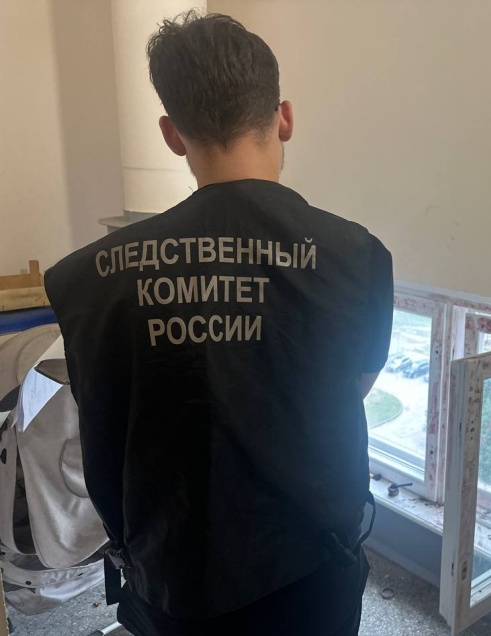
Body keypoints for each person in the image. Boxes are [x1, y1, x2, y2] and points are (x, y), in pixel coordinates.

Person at [43, 11, 393, 636]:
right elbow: (352, 388)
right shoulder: (357, 258)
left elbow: (104, 406)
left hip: (166, 572)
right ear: (284, 117)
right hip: (309, 571)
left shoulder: (87, 277)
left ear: (172, 134)